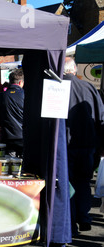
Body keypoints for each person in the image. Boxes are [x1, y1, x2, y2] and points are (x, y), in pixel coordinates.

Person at [64, 57, 104, 234]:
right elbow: (101, 116)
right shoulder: (88, 87)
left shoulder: (58, 87)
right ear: (74, 70)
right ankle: (84, 216)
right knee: (84, 181)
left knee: (68, 183)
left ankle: (71, 220)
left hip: (67, 143)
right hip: (88, 143)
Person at [0, 68, 24, 157]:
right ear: (20, 82)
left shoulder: (1, 96)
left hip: (6, 134)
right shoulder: (25, 94)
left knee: (9, 162)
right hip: (22, 134)